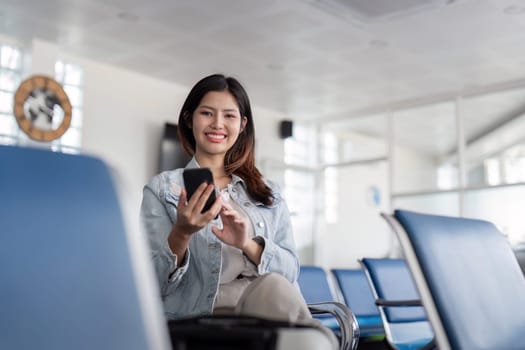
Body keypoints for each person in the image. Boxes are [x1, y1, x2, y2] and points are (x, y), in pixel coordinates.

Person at [140, 74, 315, 324]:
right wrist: (181, 233)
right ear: (190, 119)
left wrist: (247, 244)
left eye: (229, 116)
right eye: (207, 113)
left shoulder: (268, 192)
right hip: (205, 321)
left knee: (275, 288)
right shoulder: (162, 189)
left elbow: (290, 272)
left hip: (268, 311)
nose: (218, 124)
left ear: (242, 125)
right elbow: (149, 284)